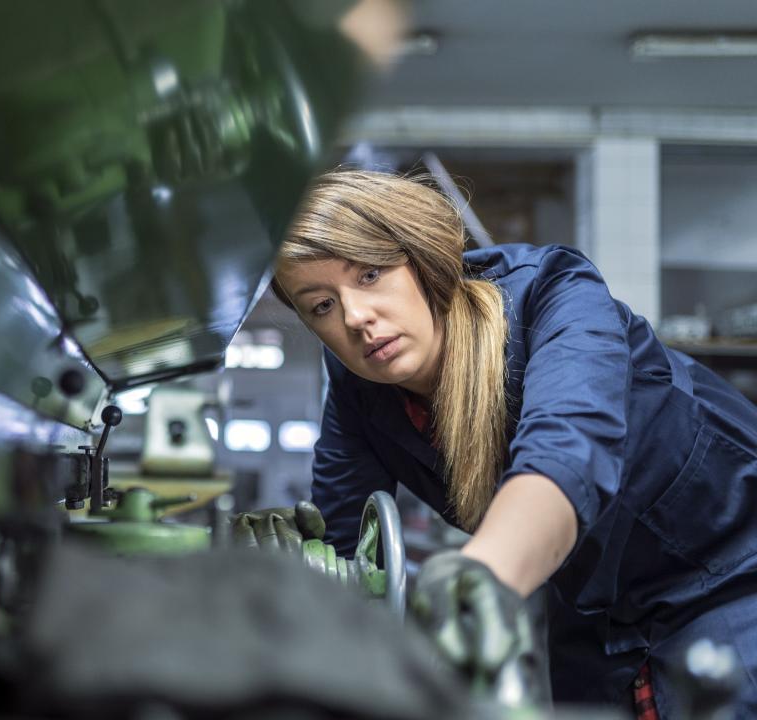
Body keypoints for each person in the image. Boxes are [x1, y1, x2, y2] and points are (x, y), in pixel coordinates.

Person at [245, 169, 757, 714]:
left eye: (370, 274)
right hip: (592, 618)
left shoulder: (553, 295)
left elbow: (566, 455)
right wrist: (286, 569)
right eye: (321, 305)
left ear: (422, 259)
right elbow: (344, 542)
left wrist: (480, 575)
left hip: (729, 579)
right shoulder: (362, 389)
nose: (355, 317)